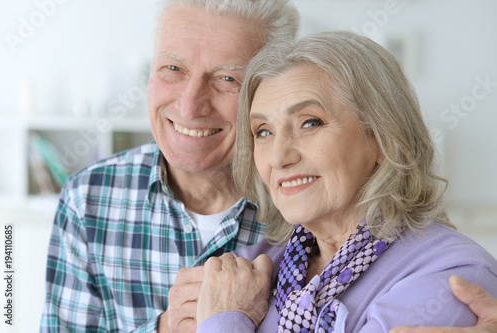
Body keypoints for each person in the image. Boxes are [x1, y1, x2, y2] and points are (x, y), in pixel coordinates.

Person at [40, 0, 497, 331]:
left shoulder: (437, 270)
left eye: (226, 78)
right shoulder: (282, 255)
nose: (189, 103)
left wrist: (221, 321)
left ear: (381, 136)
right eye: (172, 69)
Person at [193, 31, 497, 332]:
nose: (278, 157)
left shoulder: (453, 274)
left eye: (310, 123)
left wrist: (224, 321)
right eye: (263, 131)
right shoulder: (245, 269)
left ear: (382, 138)